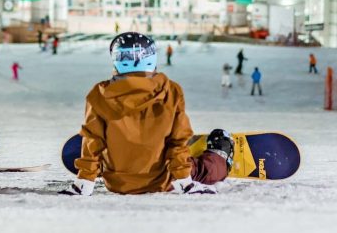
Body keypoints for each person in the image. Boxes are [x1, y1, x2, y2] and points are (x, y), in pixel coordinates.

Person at [60, 32, 233, 196]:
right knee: (203, 169)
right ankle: (221, 156)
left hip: (119, 183)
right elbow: (178, 140)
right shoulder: (171, 91)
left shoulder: (98, 95)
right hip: (164, 180)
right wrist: (184, 181)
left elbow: (93, 141)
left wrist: (85, 182)